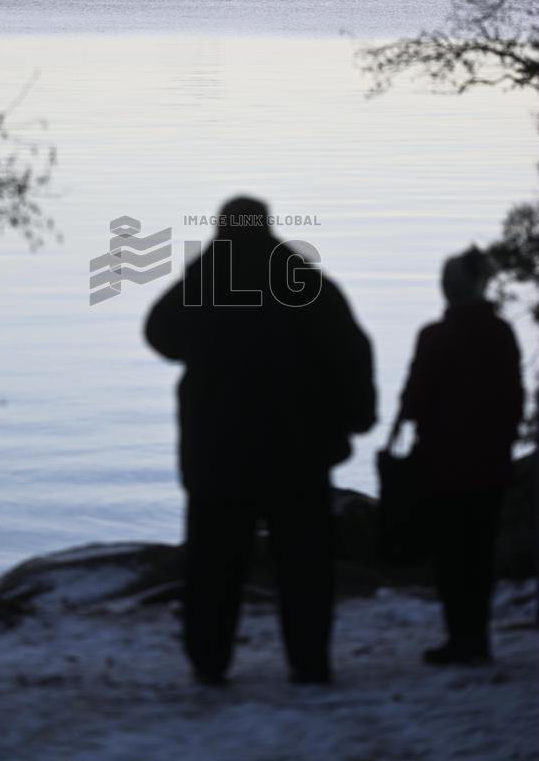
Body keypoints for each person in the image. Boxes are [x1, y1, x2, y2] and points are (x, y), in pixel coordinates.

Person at [144, 196, 376, 685]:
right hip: (299, 457)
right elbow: (352, 351)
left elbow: (159, 333)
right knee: (305, 569)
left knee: (213, 568)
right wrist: (358, 417)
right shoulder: (306, 283)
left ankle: (209, 663)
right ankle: (308, 662)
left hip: (217, 460)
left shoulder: (204, 285)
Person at [393, 246, 524, 665]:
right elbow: (515, 401)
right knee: (479, 553)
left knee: (452, 556)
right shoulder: (501, 333)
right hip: (490, 465)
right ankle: (477, 636)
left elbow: (414, 401)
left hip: (444, 467)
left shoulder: (435, 337)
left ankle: (460, 636)